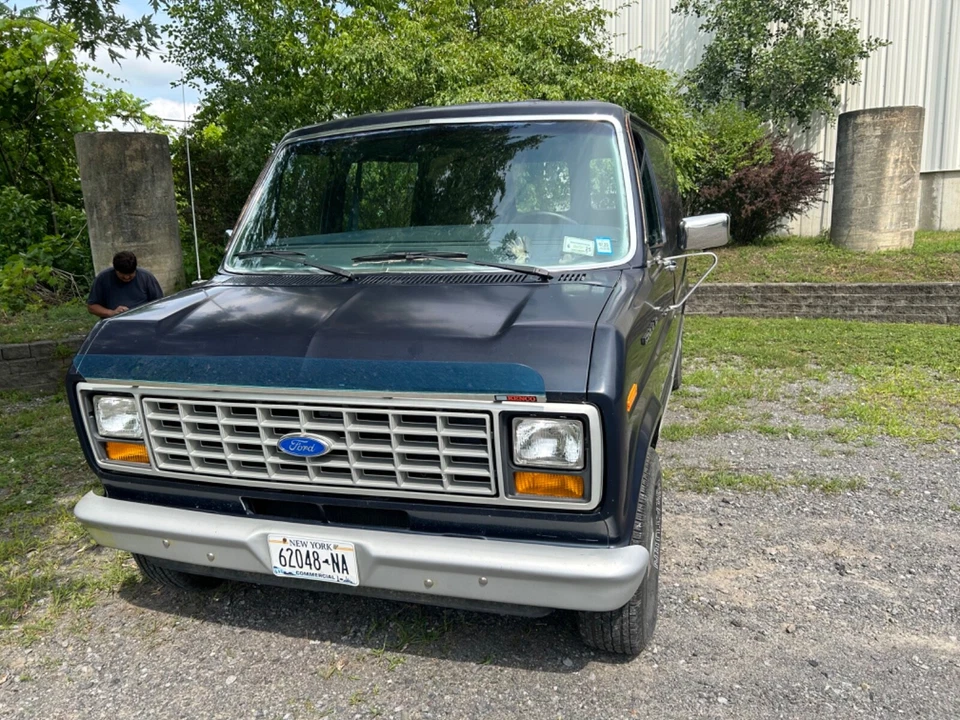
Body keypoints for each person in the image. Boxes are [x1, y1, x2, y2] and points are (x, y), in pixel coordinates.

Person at [87, 251, 164, 319]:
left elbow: (160, 304)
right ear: (115, 270)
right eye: (122, 274)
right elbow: (92, 307)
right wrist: (111, 313)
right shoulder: (103, 278)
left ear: (135, 269)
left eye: (130, 274)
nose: (127, 277)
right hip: (115, 323)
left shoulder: (146, 277)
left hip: (143, 321)